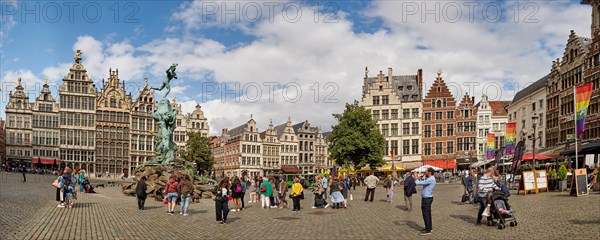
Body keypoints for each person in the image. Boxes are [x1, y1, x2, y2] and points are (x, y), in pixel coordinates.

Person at [415, 168, 436, 235]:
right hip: (428, 198)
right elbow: (422, 180)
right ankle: (429, 227)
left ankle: (428, 230)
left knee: (426, 214)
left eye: (426, 171)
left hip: (427, 199)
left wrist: (416, 178)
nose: (425, 172)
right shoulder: (429, 178)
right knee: (428, 214)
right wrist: (419, 177)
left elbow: (418, 183)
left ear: (429, 172)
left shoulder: (430, 179)